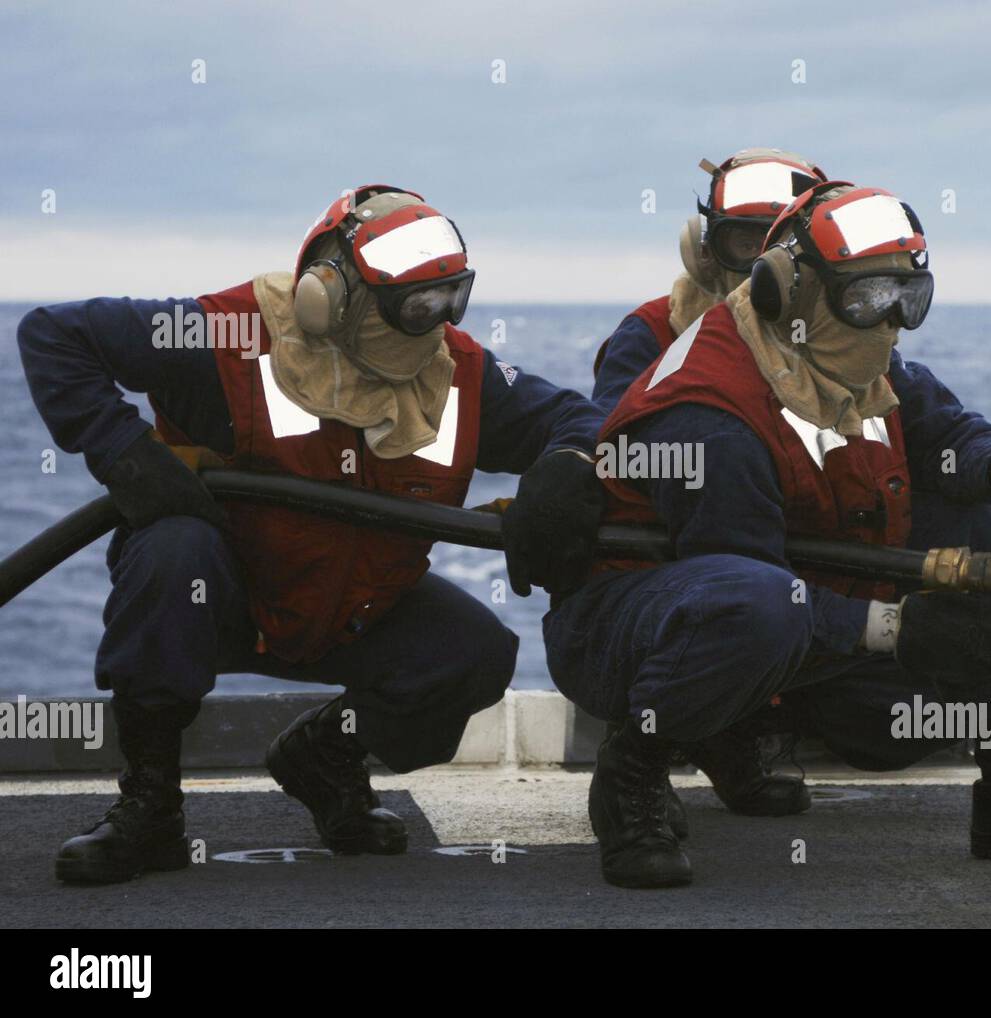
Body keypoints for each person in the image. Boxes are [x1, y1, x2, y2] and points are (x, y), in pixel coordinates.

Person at [546, 181, 991, 888]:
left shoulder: (855, 360)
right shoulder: (708, 412)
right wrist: (898, 629)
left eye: (911, 300)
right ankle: (633, 776)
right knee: (755, 608)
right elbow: (747, 589)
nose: (892, 323)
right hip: (640, 633)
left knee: (987, 518)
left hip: (787, 628)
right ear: (789, 293)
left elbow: (947, 437)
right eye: (869, 299)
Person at [18, 184, 605, 884]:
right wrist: (122, 450)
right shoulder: (229, 334)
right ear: (330, 292)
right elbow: (56, 335)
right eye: (416, 305)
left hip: (355, 611)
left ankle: (326, 756)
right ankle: (150, 807)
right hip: (219, 598)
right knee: (172, 553)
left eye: (451, 300)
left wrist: (565, 473)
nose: (436, 322)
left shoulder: (457, 373)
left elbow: (580, 420)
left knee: (473, 653)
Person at [591, 149, 829, 823]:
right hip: (675, 582)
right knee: (744, 598)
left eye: (778, 246)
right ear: (703, 247)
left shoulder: (845, 350)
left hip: (794, 570)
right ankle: (648, 749)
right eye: (742, 241)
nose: (758, 265)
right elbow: (608, 451)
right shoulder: (648, 338)